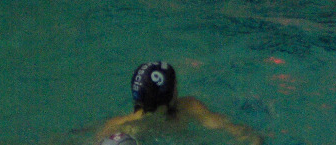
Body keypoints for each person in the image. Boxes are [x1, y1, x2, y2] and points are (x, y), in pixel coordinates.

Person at [96, 62, 263, 145]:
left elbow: (240, 133)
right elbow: (239, 132)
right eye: (174, 84)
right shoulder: (121, 130)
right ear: (169, 94)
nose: (177, 87)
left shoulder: (190, 106)